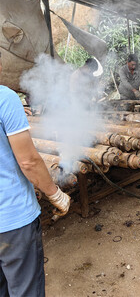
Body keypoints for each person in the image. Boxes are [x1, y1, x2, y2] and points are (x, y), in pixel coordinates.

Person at [0, 51, 71, 297]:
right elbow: (29, 161)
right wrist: (55, 193)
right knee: (26, 289)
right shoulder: (4, 97)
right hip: (11, 219)